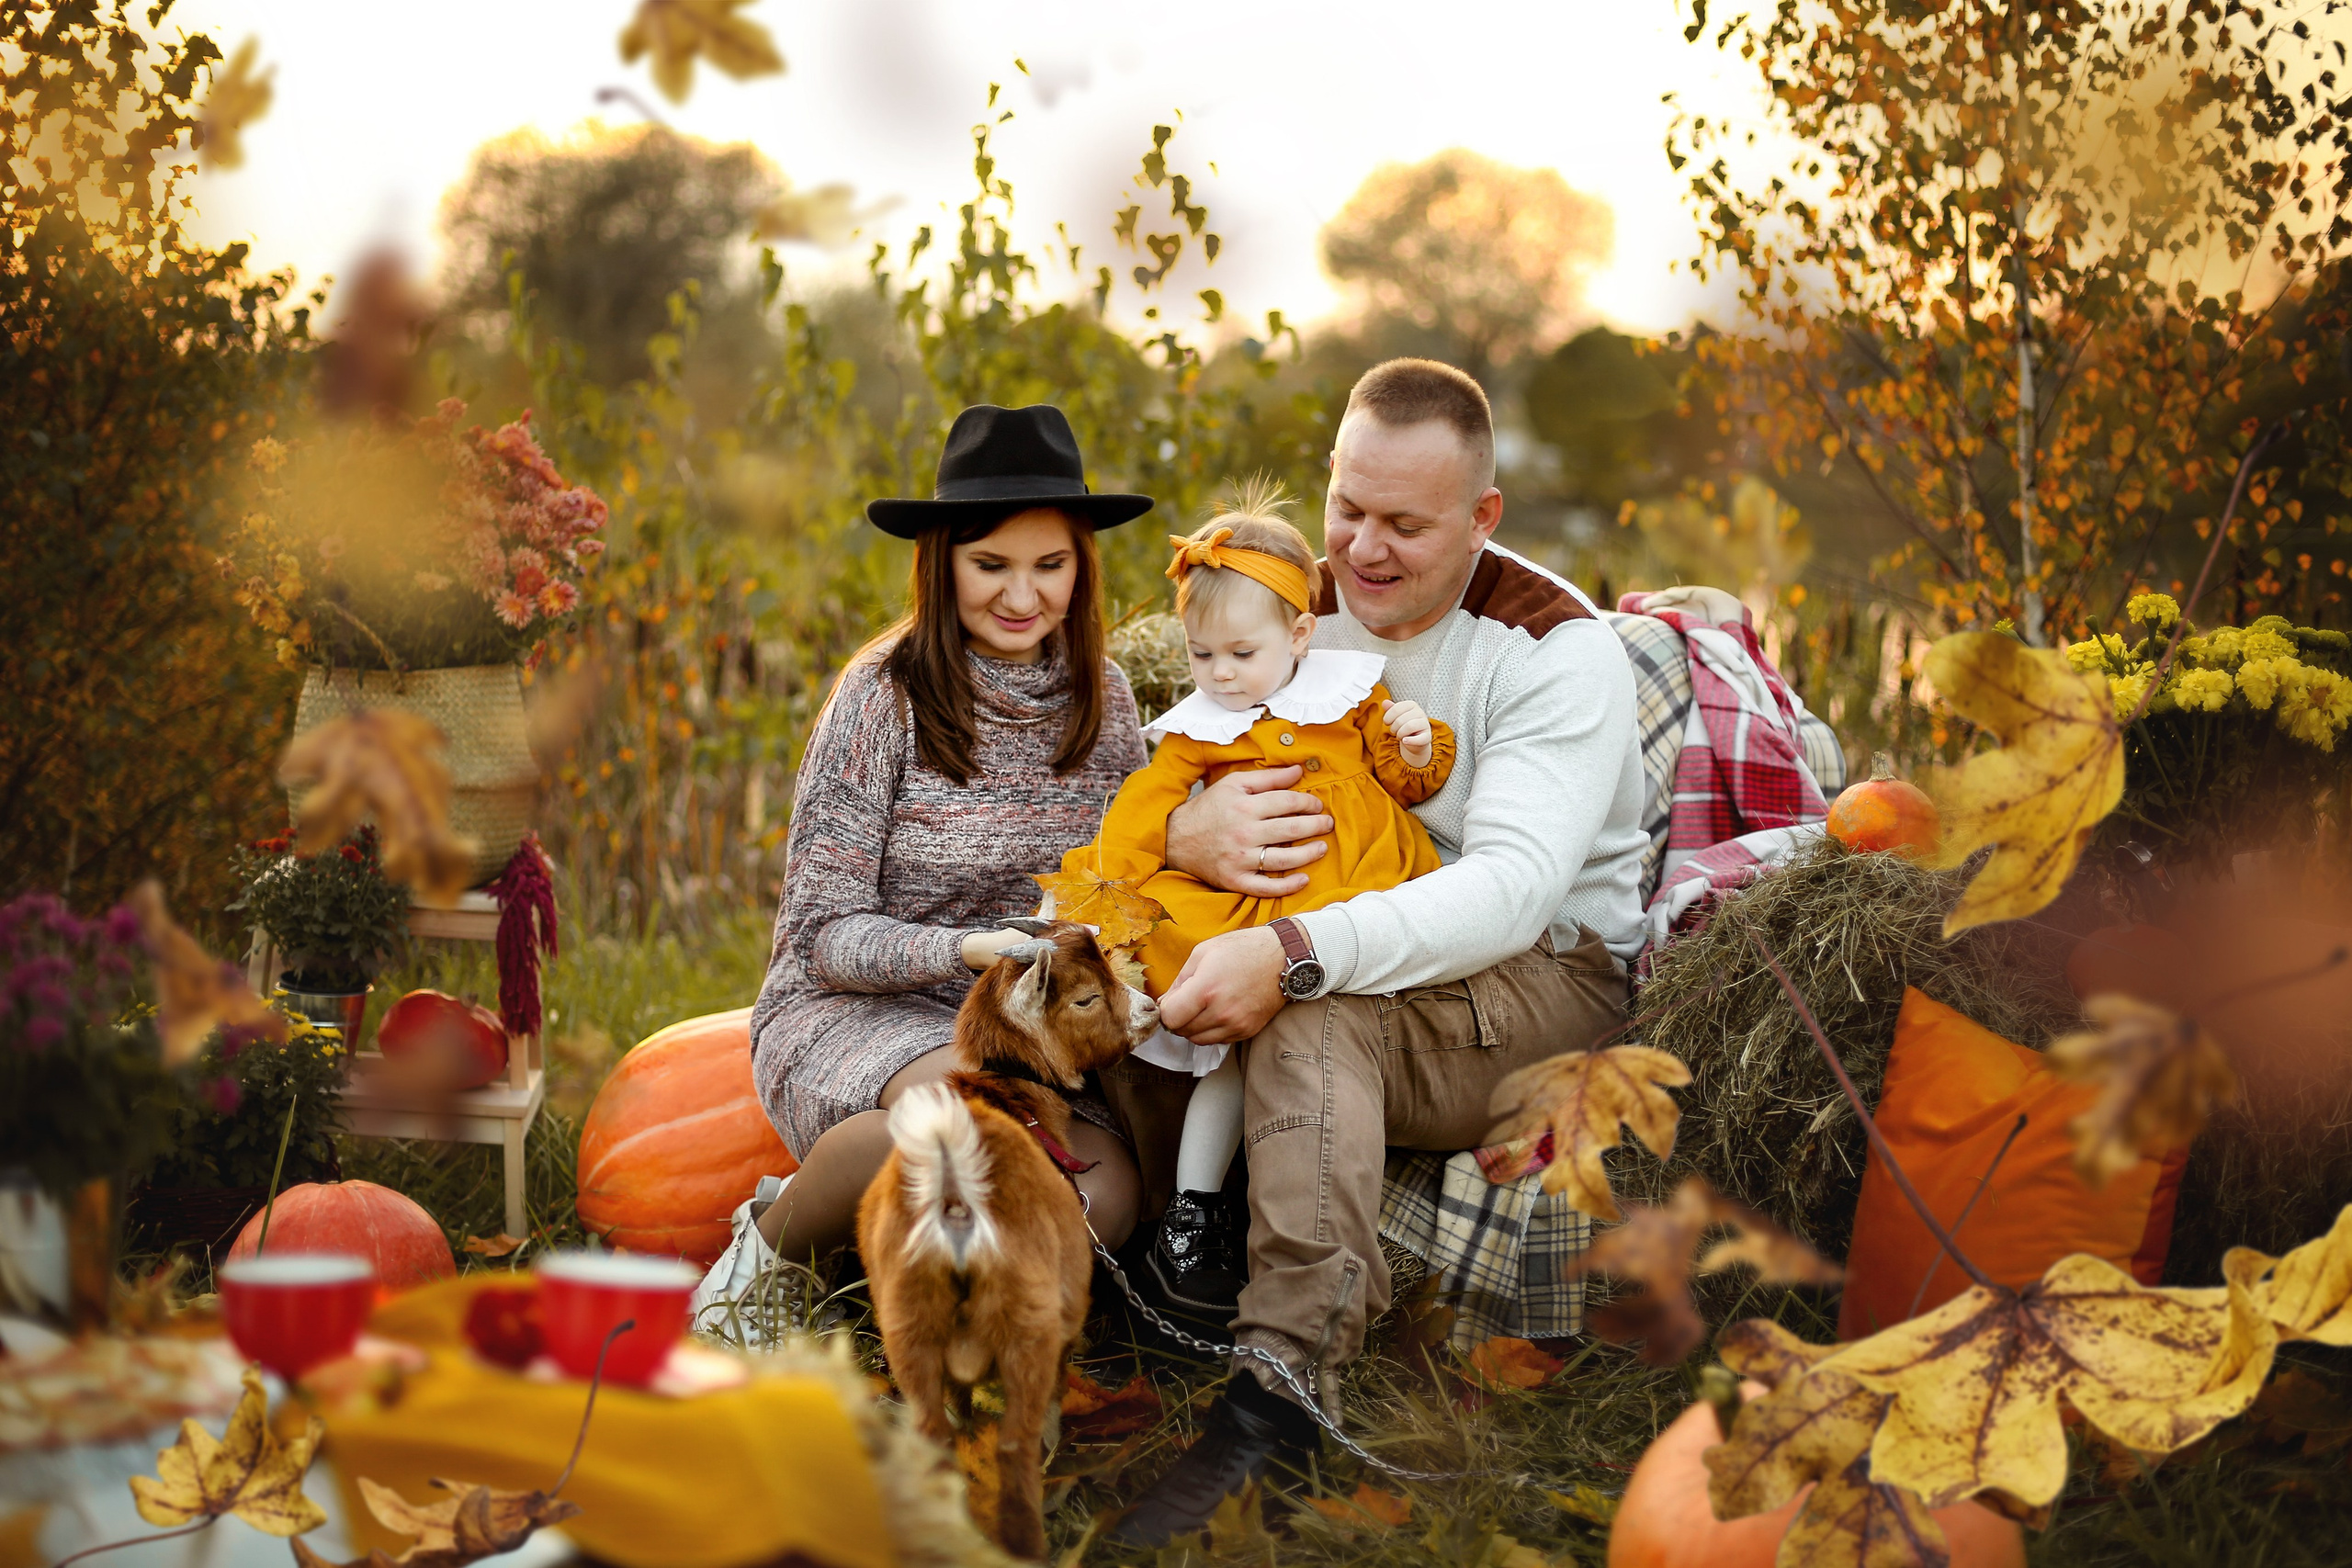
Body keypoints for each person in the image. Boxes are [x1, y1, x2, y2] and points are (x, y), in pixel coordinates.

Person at [1109, 360, 1649, 1545]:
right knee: (1142, 981)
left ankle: (1281, 1392)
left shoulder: (1552, 649)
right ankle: (1143, 1286)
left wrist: (1295, 951)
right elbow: (1158, 766)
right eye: (1347, 507)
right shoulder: (1282, 602)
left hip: (1540, 973)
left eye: (1407, 525)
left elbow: (1510, 892)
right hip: (1330, 919)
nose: (1360, 551)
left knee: (1304, 1007)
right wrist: (1189, 835)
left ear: (1482, 519)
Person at [694, 403, 1155, 1326]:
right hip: (858, 1012)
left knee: (1102, 1206)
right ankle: (769, 1254)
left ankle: (890, 1295)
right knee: (963, 1134)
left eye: (1049, 566)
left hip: (1032, 1036)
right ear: (941, 561)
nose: (1022, 596)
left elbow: (1133, 870)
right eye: (991, 566)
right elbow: (826, 937)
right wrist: (965, 950)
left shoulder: (1103, 696)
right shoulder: (881, 696)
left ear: (1082, 566)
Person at [1057, 488, 1454, 1315]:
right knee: (1238, 1058)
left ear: (1301, 634)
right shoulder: (1200, 729)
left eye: (1240, 652)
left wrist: (1415, 741)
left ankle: (1302, 1232)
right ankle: (1194, 1213)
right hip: (1259, 918)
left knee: (1329, 1048)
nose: (1221, 674)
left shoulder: (1347, 696)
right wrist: (1114, 886)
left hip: (1362, 893)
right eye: (1203, 656)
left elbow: (1405, 774)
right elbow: (1139, 812)